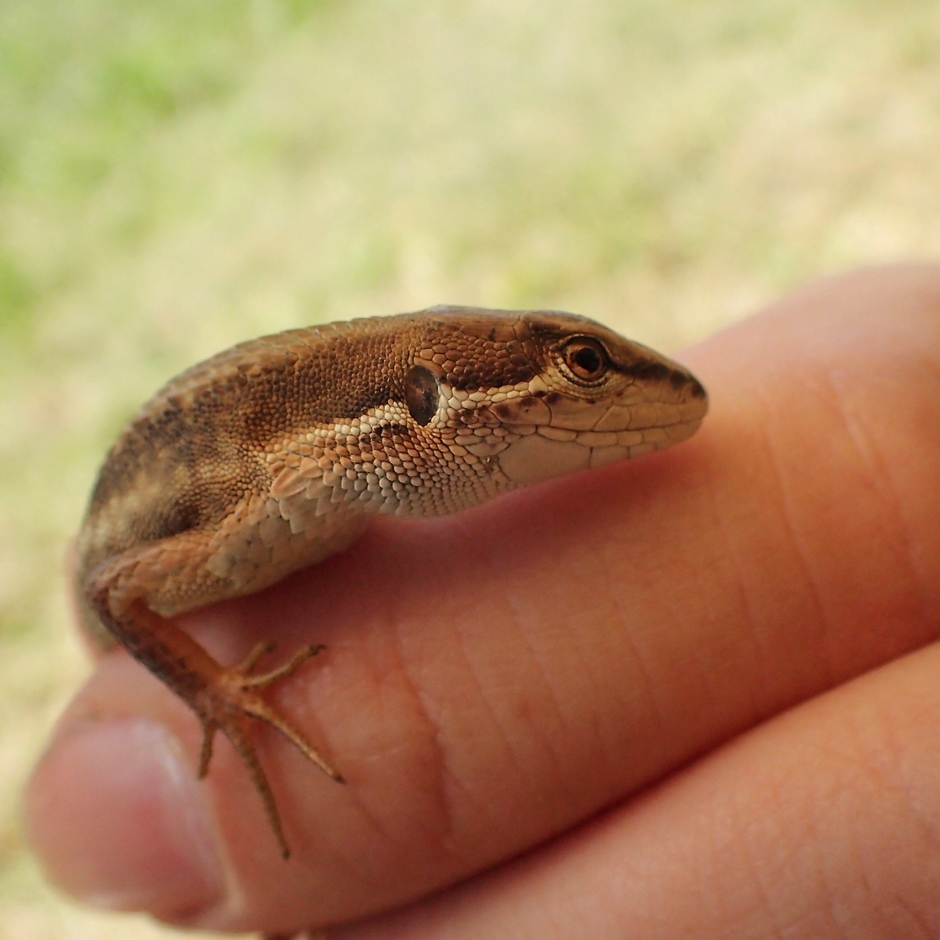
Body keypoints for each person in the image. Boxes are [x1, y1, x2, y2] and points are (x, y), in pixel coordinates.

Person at [26, 265, 940, 938]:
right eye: (583, 366)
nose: (623, 390)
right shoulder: (266, 484)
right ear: (429, 398)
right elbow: (115, 589)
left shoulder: (341, 477)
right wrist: (219, 696)